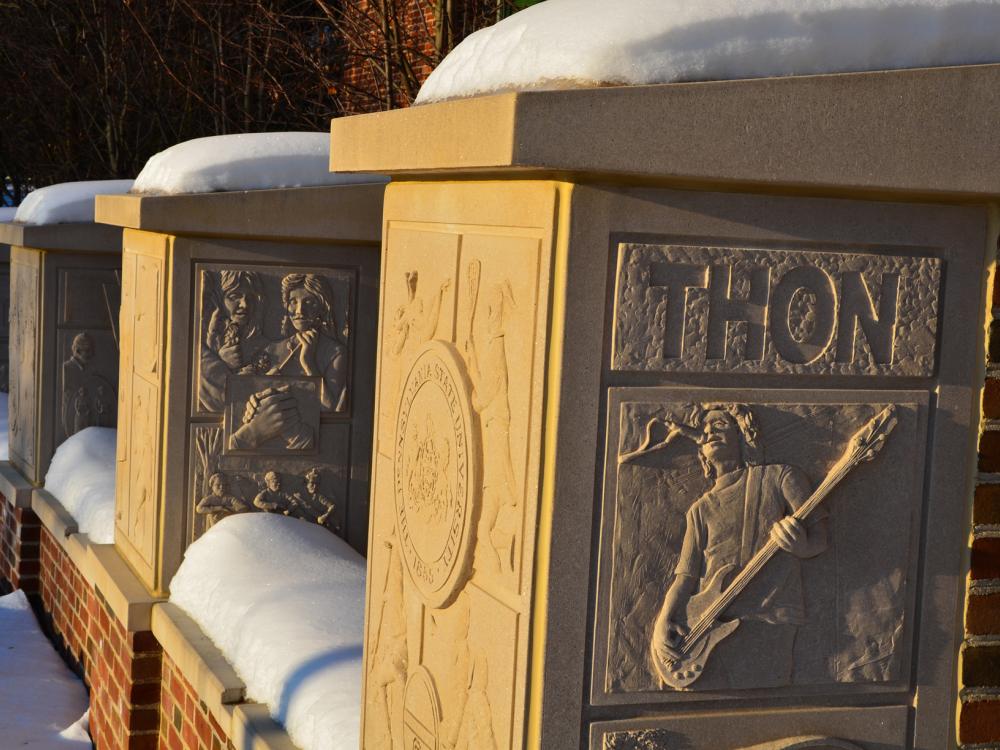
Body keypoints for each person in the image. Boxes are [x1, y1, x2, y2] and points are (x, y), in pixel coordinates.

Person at [647, 404, 829, 689]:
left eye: (720, 425)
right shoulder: (700, 509)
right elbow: (686, 577)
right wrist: (662, 623)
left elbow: (820, 538)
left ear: (743, 435)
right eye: (705, 430)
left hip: (769, 620)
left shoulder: (780, 477)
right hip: (708, 627)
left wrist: (801, 547)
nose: (709, 433)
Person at [262, 273, 347, 412]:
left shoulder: (336, 352)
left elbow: (330, 408)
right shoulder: (273, 349)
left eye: (308, 302)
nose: (299, 311)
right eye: (293, 302)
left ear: (322, 307)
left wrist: (309, 363)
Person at [200, 271, 266, 411]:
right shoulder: (201, 347)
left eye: (250, 298)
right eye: (234, 296)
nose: (244, 304)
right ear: (219, 300)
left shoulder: (264, 343)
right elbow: (223, 401)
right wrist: (221, 361)